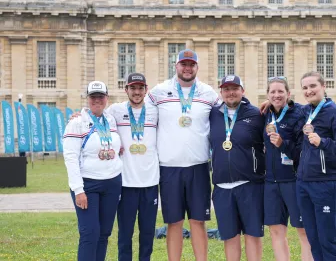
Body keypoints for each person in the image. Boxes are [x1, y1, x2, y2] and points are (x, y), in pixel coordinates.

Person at [146, 49, 219, 261]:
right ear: (176, 66)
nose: (187, 68)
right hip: (169, 168)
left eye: (192, 65)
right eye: (183, 64)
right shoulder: (159, 92)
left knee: (198, 221)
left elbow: (231, 111)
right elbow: (137, 111)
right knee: (174, 222)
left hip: (199, 166)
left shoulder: (208, 93)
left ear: (197, 67)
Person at [297, 71, 336, 261]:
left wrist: (323, 142)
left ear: (323, 86)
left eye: (313, 86)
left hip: (327, 184)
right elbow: (287, 108)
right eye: (305, 88)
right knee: (314, 239)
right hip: (304, 183)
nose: (309, 91)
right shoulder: (306, 112)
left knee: (328, 240)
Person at [63, 81, 122, 261]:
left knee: (104, 233)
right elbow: (71, 158)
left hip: (112, 183)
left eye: (100, 96)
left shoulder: (111, 120)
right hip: (88, 185)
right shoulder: (77, 123)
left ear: (107, 98)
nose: (97, 100)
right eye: (93, 97)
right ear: (87, 99)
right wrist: (78, 190)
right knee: (90, 233)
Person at [209, 75, 265, 261]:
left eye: (235, 88)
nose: (231, 92)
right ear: (221, 92)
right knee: (229, 237)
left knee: (253, 235)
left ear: (243, 90)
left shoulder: (256, 114)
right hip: (222, 187)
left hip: (250, 185)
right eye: (226, 89)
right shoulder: (213, 114)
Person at [107, 73, 159, 261]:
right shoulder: (115, 110)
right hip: (126, 184)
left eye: (140, 88)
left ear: (146, 90)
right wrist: (80, 114)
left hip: (150, 183)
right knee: (125, 233)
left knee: (147, 233)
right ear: (126, 90)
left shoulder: (155, 111)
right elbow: (96, 116)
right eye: (133, 88)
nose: (137, 92)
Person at [263, 77, 313, 261]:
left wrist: (283, 144)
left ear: (288, 94)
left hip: (294, 181)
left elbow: (303, 150)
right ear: (267, 95)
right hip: (270, 183)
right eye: (272, 92)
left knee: (304, 230)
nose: (276, 95)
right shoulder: (265, 114)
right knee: (276, 231)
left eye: (280, 91)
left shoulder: (299, 114)